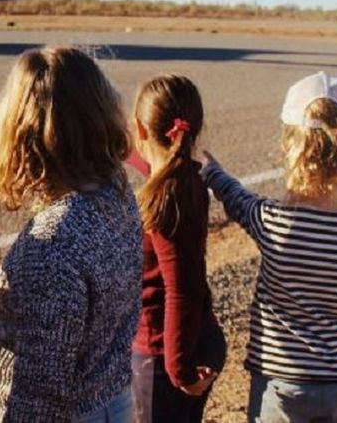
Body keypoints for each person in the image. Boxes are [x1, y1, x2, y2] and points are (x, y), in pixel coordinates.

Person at [201, 71, 337, 423]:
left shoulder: (273, 220)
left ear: (286, 147)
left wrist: (213, 172)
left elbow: (235, 197)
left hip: (281, 384)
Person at [0, 46, 143, 422]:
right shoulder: (116, 191)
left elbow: (39, 396)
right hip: (114, 400)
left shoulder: (50, 247)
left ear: (22, 134)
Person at [128, 75, 226, 423]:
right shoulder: (186, 179)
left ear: (139, 128)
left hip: (164, 358)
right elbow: (153, 164)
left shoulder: (165, 198)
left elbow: (181, 290)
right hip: (191, 340)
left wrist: (179, 370)